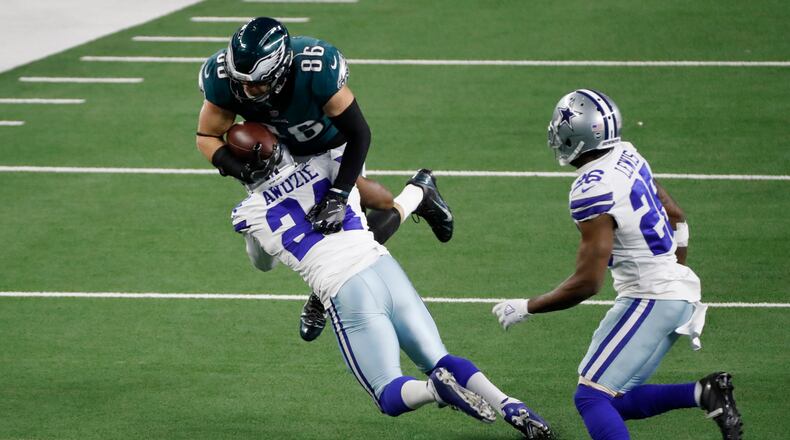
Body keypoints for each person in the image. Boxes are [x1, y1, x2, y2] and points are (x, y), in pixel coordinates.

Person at [230, 141, 554, 439]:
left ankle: (433, 391)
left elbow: (263, 264)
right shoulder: (324, 163)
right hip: (384, 268)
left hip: (345, 291)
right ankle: (510, 405)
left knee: (387, 392)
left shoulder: (248, 212)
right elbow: (364, 180)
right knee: (439, 358)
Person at [492, 89, 743, 440]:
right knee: (615, 397)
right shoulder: (626, 153)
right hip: (675, 290)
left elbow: (588, 282)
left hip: (652, 297)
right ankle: (704, 392)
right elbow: (677, 217)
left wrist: (527, 307)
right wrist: (673, 271)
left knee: (591, 398)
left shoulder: (590, 189)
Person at [194, 17, 454, 341]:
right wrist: (242, 169)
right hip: (277, 156)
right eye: (241, 81)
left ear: (280, 70)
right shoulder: (222, 77)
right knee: (263, 261)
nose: (247, 90)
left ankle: (321, 297)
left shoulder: (316, 68)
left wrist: (339, 193)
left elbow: (359, 132)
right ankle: (419, 194)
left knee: (352, 229)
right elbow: (207, 136)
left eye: (257, 83)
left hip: (332, 146)